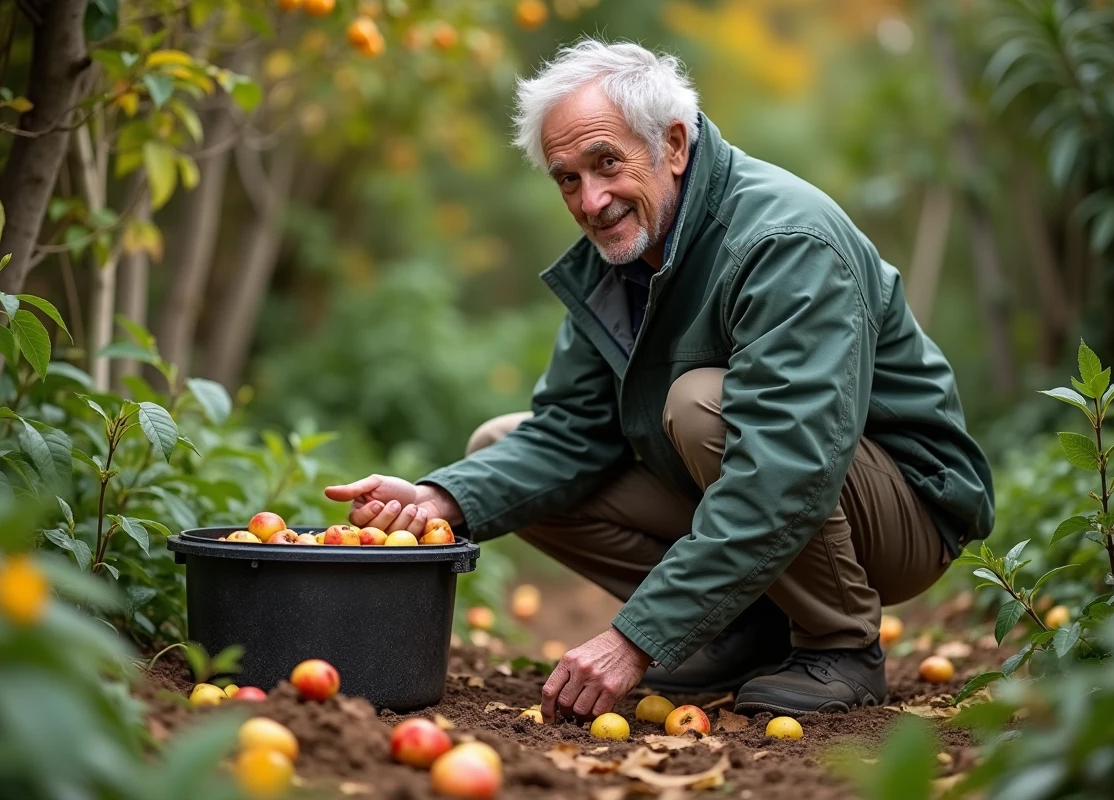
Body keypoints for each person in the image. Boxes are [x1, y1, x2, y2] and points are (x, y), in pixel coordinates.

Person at [324, 39, 995, 722]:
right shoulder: (621, 259)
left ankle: (839, 644)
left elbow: (788, 466)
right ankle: (737, 631)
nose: (591, 200)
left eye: (606, 163)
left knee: (701, 406)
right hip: (786, 492)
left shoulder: (785, 242)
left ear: (673, 145)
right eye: (567, 179)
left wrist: (634, 639)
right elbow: (570, 432)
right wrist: (442, 499)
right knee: (496, 444)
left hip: (902, 514)